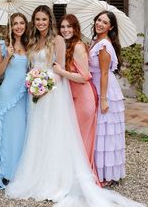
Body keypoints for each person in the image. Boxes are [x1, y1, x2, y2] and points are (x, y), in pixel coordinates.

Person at [6, 5, 145, 207]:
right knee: (38, 134)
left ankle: (58, 177)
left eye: (44, 19)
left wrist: (45, 82)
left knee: (56, 134)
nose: (40, 23)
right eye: (37, 19)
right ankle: (38, 172)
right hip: (36, 94)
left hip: (52, 92)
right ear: (33, 22)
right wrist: (33, 81)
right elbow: (32, 65)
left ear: (49, 21)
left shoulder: (58, 40)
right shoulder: (34, 41)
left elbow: (60, 69)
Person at [53, 14, 99, 181]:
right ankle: (74, 176)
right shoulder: (67, 45)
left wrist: (61, 71)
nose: (65, 30)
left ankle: (83, 178)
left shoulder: (78, 46)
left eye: (69, 27)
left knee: (81, 139)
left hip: (83, 98)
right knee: (75, 138)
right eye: (62, 27)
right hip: (73, 97)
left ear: (75, 28)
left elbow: (85, 76)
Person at [89, 10, 125, 187]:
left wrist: (103, 99)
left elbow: (103, 73)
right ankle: (99, 169)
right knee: (100, 131)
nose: (100, 23)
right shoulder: (96, 41)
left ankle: (107, 174)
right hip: (97, 86)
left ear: (110, 27)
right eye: (98, 20)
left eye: (104, 22)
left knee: (106, 132)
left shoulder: (104, 45)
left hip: (105, 89)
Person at [0, 13, 28, 189]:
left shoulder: (30, 44)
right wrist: (8, 56)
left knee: (23, 134)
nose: (18, 26)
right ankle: (6, 174)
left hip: (25, 95)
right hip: (9, 96)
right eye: (15, 23)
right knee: (9, 135)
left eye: (21, 23)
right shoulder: (2, 45)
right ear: (10, 26)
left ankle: (21, 172)